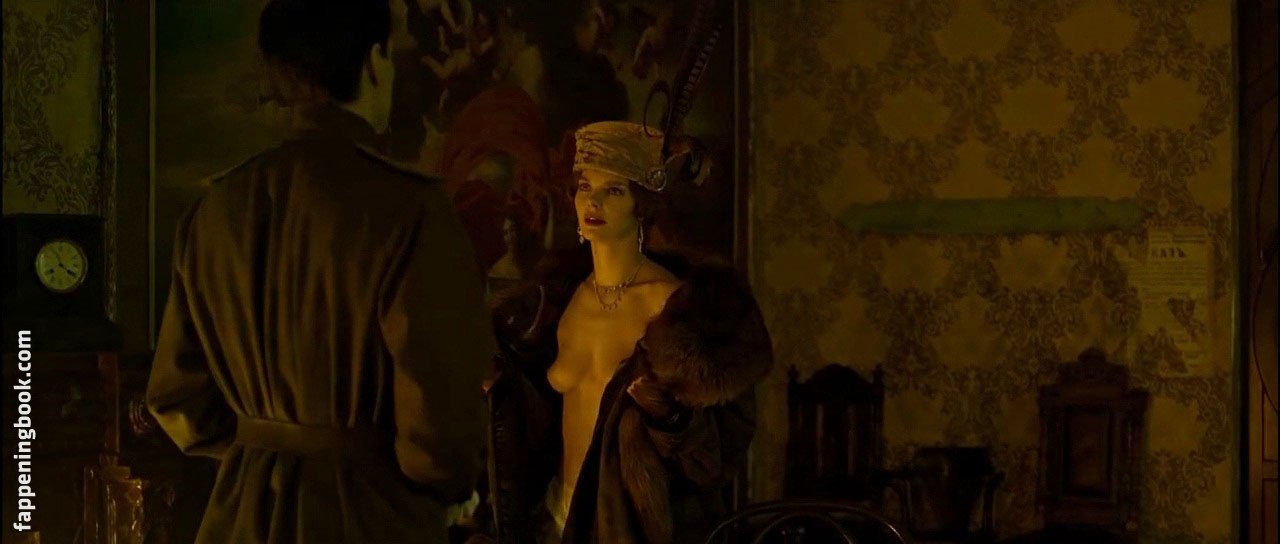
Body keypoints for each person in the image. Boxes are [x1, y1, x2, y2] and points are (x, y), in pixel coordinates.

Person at [144, 1, 495, 542]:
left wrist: (267, 447)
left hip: (241, 517)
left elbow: (177, 398)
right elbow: (437, 432)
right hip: (371, 520)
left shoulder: (214, 208)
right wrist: (442, 486)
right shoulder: (409, 208)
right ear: (374, 63)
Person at [485, 121, 774, 544]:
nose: (593, 201)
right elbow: (533, 418)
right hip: (553, 522)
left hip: (625, 528)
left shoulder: (674, 309)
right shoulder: (554, 302)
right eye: (586, 187)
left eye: (614, 190)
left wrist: (667, 418)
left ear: (642, 205)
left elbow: (713, 462)